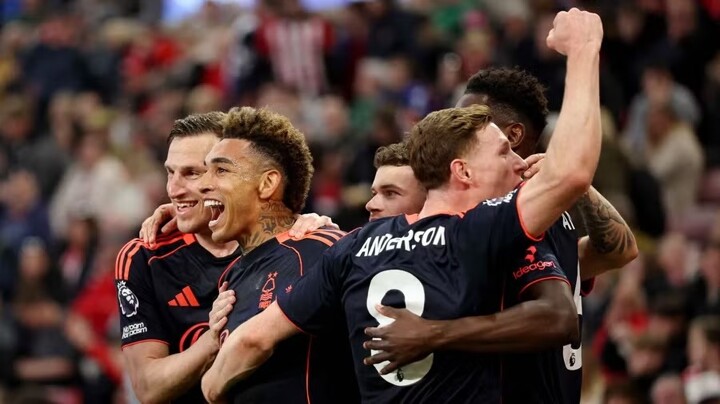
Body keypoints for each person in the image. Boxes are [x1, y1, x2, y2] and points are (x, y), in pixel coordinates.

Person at [200, 9, 605, 402]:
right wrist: (584, 49)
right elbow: (571, 175)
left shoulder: (353, 247)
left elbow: (253, 340)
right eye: (503, 153)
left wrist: (212, 389)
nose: (519, 162)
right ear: (462, 171)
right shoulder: (477, 230)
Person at [363, 69, 638, 403]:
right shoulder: (543, 217)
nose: (459, 125)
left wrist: (433, 334)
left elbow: (560, 314)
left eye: (470, 117)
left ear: (512, 135)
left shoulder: (512, 218)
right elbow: (617, 251)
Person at [116, 112, 335, 403]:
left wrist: (311, 233)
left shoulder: (296, 245)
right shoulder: (147, 255)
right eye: (170, 172)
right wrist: (212, 339)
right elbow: (148, 387)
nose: (174, 190)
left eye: (194, 173)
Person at [198, 106, 359, 403]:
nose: (203, 184)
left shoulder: (320, 249)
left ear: (267, 183)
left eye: (221, 170)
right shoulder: (231, 276)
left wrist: (209, 385)